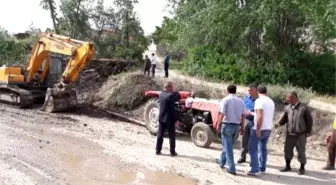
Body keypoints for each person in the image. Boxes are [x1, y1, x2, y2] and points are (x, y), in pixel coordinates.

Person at [275, 91, 313, 175]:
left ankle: (302, 167)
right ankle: (287, 166)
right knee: (287, 150)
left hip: (300, 134)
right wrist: (279, 124)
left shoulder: (303, 108)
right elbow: (285, 118)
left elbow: (309, 121)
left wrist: (309, 131)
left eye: (289, 98)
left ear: (294, 98)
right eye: (287, 98)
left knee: (301, 152)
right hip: (289, 134)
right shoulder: (288, 107)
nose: (287, 99)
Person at [217, 84, 245, 175]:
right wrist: (242, 127)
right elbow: (243, 115)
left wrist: (218, 124)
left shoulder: (225, 100)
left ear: (227, 90)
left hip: (227, 125)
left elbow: (221, 114)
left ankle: (232, 168)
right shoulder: (241, 101)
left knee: (228, 149)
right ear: (235, 91)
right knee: (228, 146)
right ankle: (221, 162)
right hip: (236, 127)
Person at [247, 86, 275, 176]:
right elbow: (264, 114)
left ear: (258, 92)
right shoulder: (271, 101)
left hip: (260, 128)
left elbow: (260, 116)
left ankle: (254, 169)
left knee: (252, 149)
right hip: (268, 128)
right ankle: (262, 168)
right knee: (263, 148)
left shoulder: (259, 101)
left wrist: (258, 129)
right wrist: (251, 113)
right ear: (266, 92)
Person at [155, 82, 180, 156]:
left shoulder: (161, 94)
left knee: (160, 135)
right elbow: (173, 109)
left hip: (161, 117)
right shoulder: (171, 96)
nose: (173, 89)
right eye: (172, 87)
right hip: (169, 119)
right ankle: (172, 152)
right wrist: (177, 119)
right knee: (172, 136)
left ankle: (157, 150)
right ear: (169, 88)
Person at [237, 84, 258, 164]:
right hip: (246, 121)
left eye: (251, 90)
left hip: (254, 122)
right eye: (248, 90)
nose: (249, 92)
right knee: (244, 140)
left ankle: (253, 159)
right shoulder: (246, 98)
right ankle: (242, 156)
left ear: (256, 90)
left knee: (253, 141)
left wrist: (251, 112)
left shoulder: (259, 100)